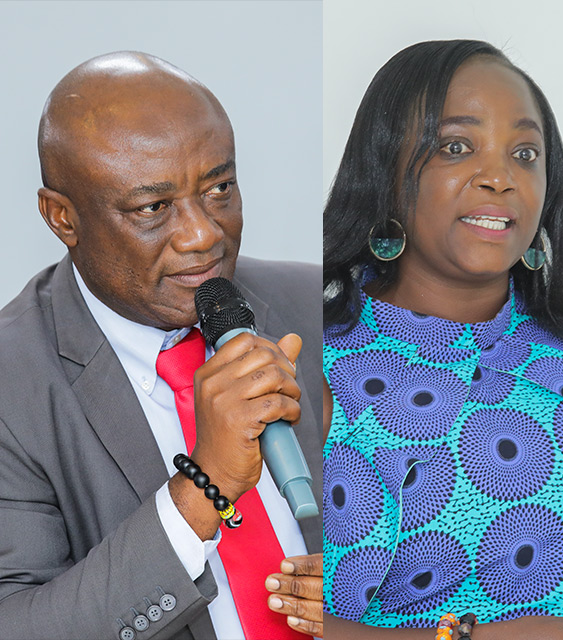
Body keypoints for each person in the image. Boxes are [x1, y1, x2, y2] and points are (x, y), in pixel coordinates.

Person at [315, 40, 563, 639]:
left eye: (525, 153)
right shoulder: (322, 363)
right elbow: (280, 616)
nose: (500, 178)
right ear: (386, 173)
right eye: (456, 147)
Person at [0, 52, 325, 639]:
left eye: (219, 188)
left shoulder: (323, 306)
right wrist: (204, 487)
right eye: (153, 207)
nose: (202, 234)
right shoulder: (11, 386)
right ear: (61, 218)